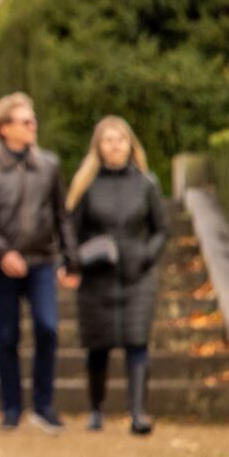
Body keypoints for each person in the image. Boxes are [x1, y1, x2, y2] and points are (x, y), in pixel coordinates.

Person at [0, 92, 78, 434]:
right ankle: (11, 407)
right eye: (25, 121)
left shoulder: (49, 165)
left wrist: (70, 259)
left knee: (47, 327)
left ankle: (43, 406)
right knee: (7, 334)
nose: (33, 126)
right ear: (4, 128)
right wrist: (3, 252)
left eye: (33, 119)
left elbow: (62, 214)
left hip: (42, 260)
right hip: (2, 265)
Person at [68, 116, 168, 435]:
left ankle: (138, 412)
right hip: (97, 277)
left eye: (121, 139)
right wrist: (81, 257)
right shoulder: (86, 186)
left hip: (137, 275)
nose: (115, 145)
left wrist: (146, 256)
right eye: (109, 140)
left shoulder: (146, 183)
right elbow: (72, 230)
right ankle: (96, 408)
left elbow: (161, 229)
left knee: (137, 342)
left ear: (130, 144)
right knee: (98, 345)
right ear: (98, 146)